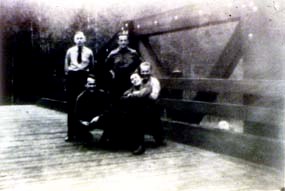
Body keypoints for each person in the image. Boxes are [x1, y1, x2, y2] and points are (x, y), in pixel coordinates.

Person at [64, 31, 95, 142]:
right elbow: (66, 67)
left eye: (81, 38)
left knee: (83, 104)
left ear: (85, 39)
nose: (80, 40)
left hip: (83, 77)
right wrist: (68, 80)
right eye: (77, 38)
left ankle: (82, 132)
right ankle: (70, 133)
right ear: (74, 40)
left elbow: (92, 66)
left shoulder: (89, 52)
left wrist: (88, 77)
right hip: (73, 77)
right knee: (72, 106)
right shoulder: (70, 51)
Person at [103, 30, 142, 100]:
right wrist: (111, 72)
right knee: (117, 98)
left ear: (128, 42)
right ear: (118, 42)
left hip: (130, 79)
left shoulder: (133, 53)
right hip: (117, 79)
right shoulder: (113, 54)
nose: (123, 42)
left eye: (125, 40)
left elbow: (139, 64)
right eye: (121, 40)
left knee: (129, 97)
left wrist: (135, 73)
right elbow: (106, 66)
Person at [121, 73, 152, 155]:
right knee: (129, 118)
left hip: (148, 112)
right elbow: (123, 96)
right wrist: (132, 94)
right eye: (131, 79)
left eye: (135, 77)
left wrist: (131, 95)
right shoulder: (132, 88)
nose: (134, 80)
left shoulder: (147, 85)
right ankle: (134, 144)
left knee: (137, 119)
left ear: (140, 78)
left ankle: (140, 146)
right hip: (136, 112)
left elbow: (142, 94)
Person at [74, 76, 110, 141]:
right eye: (90, 84)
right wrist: (82, 121)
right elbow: (77, 113)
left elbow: (107, 109)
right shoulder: (81, 97)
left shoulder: (102, 94)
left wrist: (99, 117)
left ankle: (105, 137)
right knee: (81, 132)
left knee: (110, 118)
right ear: (86, 85)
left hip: (98, 118)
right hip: (86, 120)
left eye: (94, 84)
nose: (92, 86)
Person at [138, 62, 166, 146]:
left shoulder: (154, 81)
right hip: (141, 104)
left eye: (147, 71)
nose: (145, 73)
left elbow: (154, 96)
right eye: (143, 71)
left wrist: (142, 93)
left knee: (153, 118)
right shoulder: (139, 80)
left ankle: (159, 138)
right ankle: (138, 139)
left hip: (152, 104)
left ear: (150, 71)